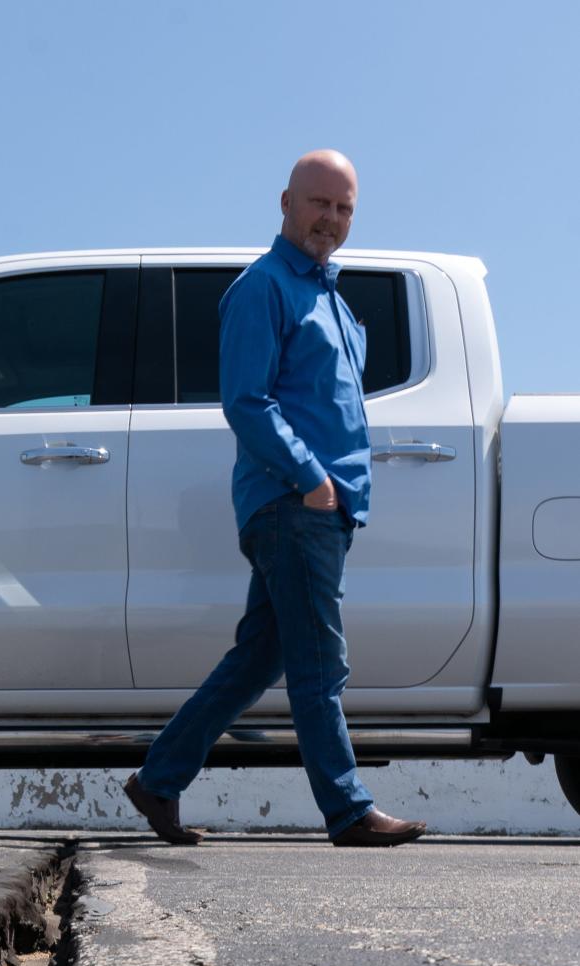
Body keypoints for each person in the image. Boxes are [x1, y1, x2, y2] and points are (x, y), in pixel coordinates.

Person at [124, 150, 426, 850]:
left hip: (326, 508)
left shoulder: (333, 301)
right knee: (321, 661)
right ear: (286, 203)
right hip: (293, 503)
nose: (331, 218)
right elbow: (247, 402)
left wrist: (340, 494)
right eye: (320, 202)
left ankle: (159, 779)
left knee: (260, 657)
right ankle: (348, 808)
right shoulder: (263, 287)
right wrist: (312, 480)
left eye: (344, 208)